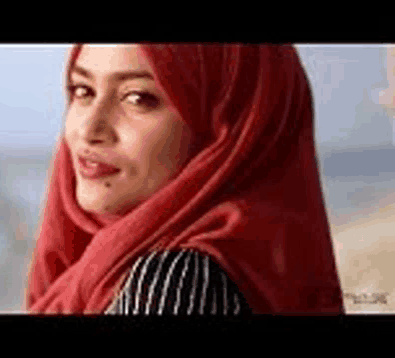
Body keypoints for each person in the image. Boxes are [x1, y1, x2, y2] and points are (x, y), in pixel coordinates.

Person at [24, 43, 345, 316]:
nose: (89, 130)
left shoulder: (175, 282)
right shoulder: (254, 261)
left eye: (138, 98)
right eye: (83, 91)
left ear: (226, 126)